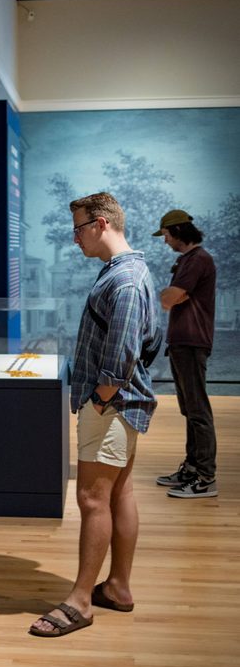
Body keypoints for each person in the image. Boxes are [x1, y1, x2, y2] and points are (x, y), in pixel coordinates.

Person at [30, 192, 158, 638]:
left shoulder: (122, 280)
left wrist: (101, 397)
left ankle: (80, 602)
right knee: (119, 491)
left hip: (112, 403)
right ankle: (118, 587)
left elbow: (122, 354)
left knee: (91, 499)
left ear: (101, 224)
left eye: (80, 228)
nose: (76, 239)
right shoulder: (130, 271)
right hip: (123, 404)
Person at [152, 209, 218, 499]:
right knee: (189, 410)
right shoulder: (187, 260)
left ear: (177, 231)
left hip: (192, 342)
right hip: (181, 343)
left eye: (165, 234)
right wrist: (173, 294)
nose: (164, 240)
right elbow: (171, 297)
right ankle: (192, 468)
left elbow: (168, 298)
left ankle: (205, 478)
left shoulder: (197, 260)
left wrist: (172, 294)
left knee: (198, 412)